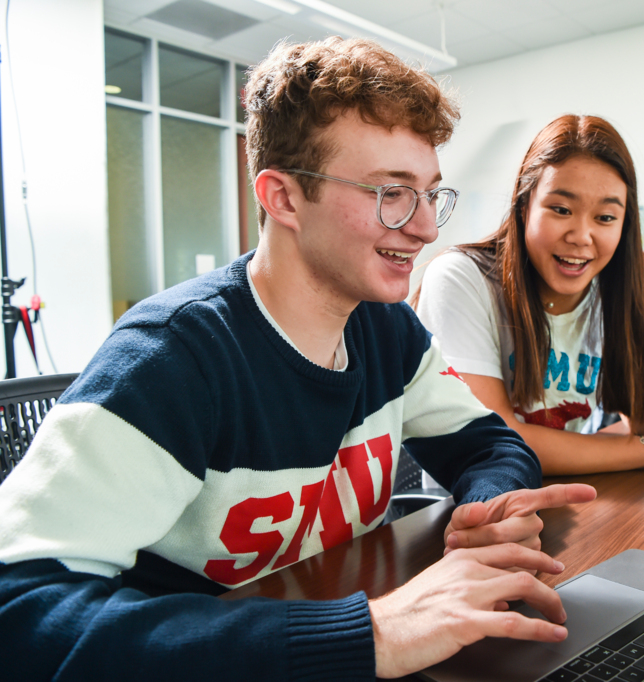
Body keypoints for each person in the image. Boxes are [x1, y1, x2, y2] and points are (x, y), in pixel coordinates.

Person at [0, 38, 598, 681]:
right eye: (391, 194)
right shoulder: (174, 356)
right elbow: (19, 613)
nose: (426, 228)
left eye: (429, 194)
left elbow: (489, 444)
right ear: (283, 198)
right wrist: (367, 635)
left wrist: (491, 508)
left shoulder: (387, 329)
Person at [415, 115, 644, 476]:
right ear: (523, 205)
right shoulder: (462, 277)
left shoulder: (612, 296)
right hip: (470, 510)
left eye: (606, 217)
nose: (582, 236)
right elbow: (496, 439)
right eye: (561, 210)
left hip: (572, 502)